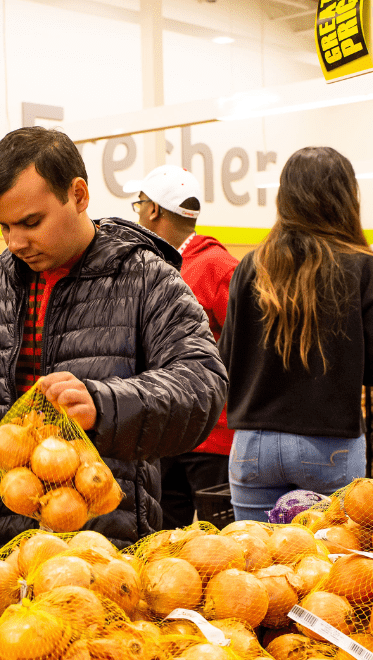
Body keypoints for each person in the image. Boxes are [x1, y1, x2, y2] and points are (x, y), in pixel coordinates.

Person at [0, 126, 228, 597]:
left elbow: (202, 385)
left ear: (78, 195)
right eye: (4, 226)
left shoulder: (146, 280)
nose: (15, 241)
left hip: (106, 566)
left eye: (31, 222)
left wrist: (105, 405)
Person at [219, 146, 373, 522]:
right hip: (329, 444)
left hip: (253, 443)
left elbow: (225, 357)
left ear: (284, 197)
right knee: (332, 568)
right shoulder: (365, 266)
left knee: (256, 564)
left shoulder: (251, 265)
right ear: (347, 198)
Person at [125, 165, 237, 529]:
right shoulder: (152, 266)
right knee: (165, 543)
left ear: (154, 209)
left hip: (213, 435)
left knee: (222, 547)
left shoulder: (217, 266)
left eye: (139, 204)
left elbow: (245, 345)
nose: (138, 212)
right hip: (167, 433)